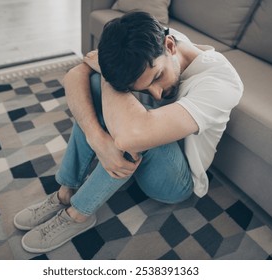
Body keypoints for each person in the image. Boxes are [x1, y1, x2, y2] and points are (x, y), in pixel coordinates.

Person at [13, 11, 243, 253]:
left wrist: (105, 72)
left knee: (135, 132)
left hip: (175, 181)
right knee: (93, 87)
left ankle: (79, 214)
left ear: (170, 45)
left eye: (157, 77)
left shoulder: (220, 82)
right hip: (139, 143)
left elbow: (132, 135)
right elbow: (74, 76)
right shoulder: (147, 43)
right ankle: (66, 193)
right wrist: (98, 139)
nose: (156, 94)